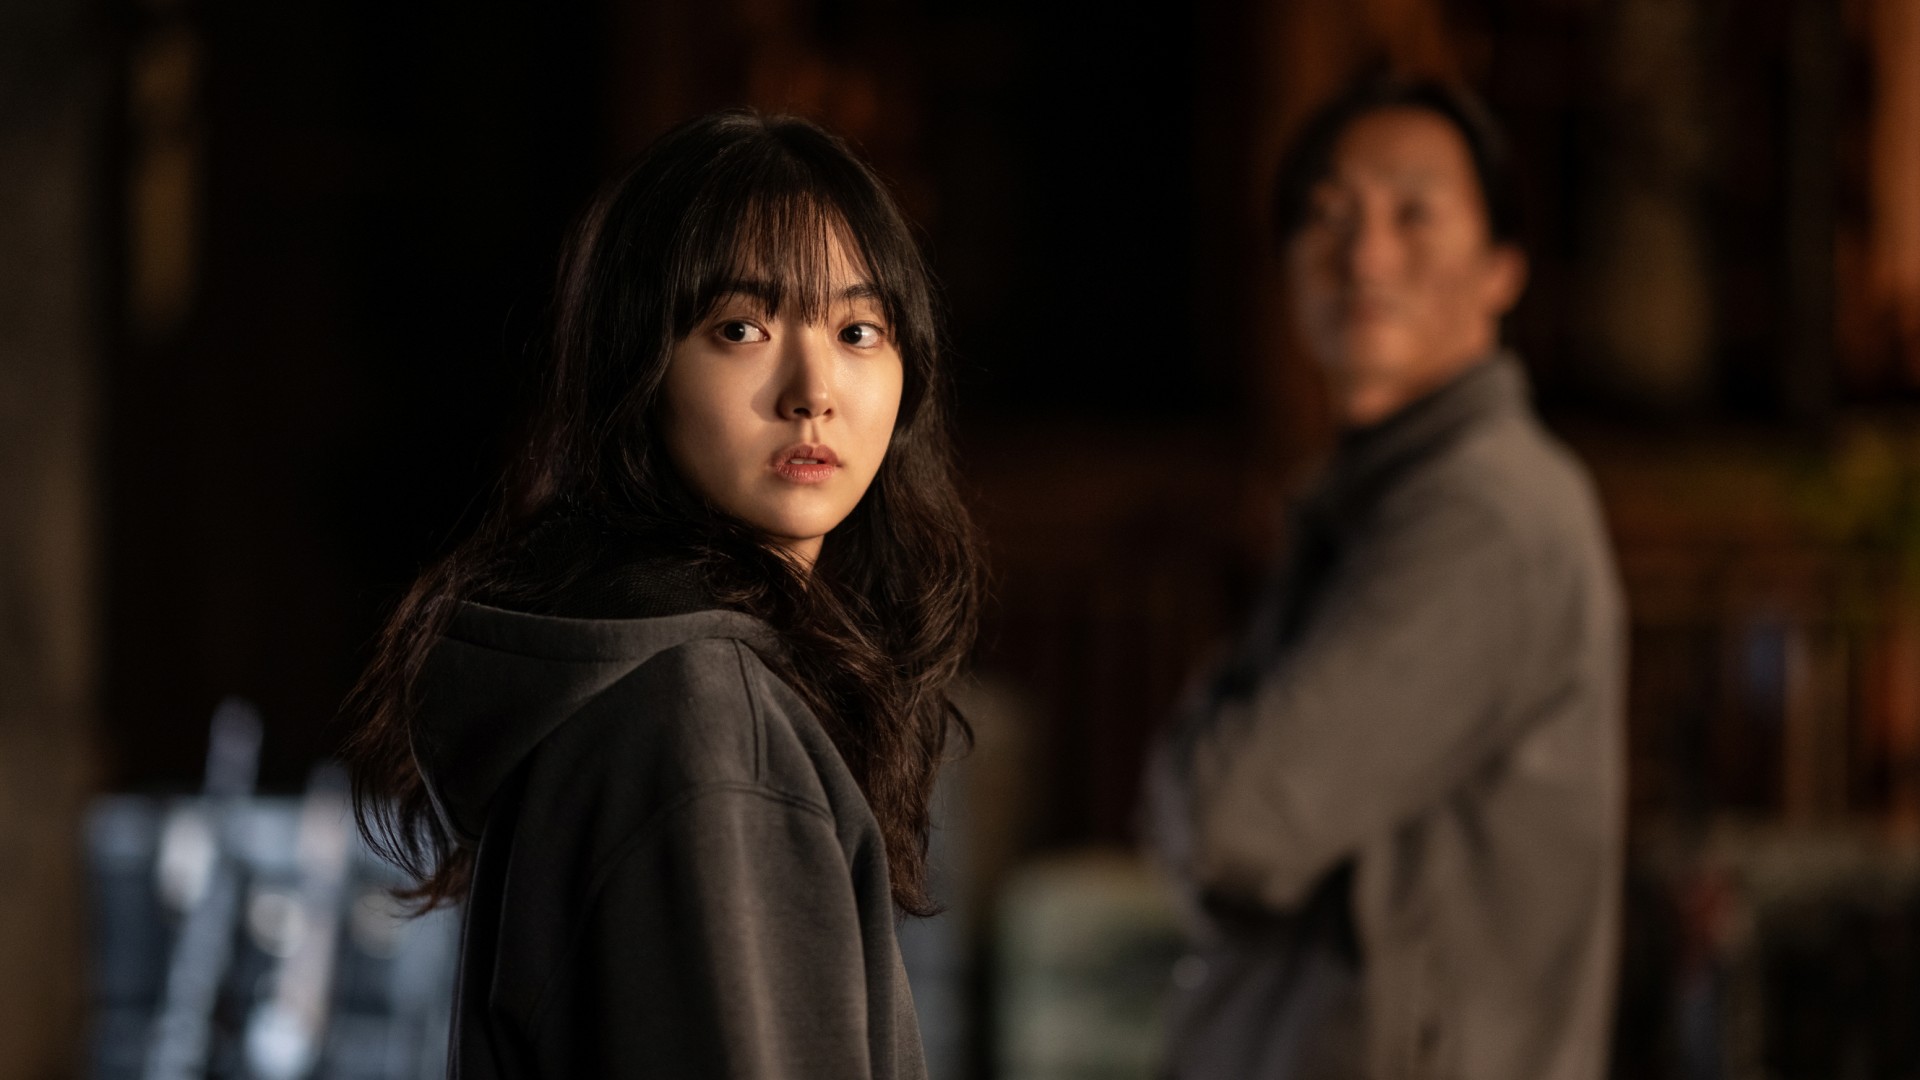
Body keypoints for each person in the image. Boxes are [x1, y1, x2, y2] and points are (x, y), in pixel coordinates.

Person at [344, 110, 981, 1079]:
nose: (813, 389)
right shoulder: (706, 721)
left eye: (858, 331)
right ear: (637, 365)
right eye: (741, 328)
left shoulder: (638, 676)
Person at [1147, 74, 1626, 1080]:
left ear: (1502, 266)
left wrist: (1195, 782)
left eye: (1414, 213)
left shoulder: (1483, 514)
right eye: (1329, 216)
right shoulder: (1365, 500)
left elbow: (1236, 824)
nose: (1365, 256)